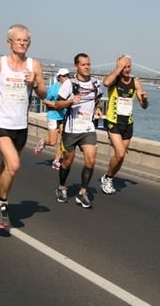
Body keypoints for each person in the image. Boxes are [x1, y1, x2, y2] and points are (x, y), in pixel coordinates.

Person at [0, 24, 46, 228]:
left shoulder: (34, 65)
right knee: (14, 165)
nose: (23, 44)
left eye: (26, 41)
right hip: (0, 123)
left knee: (6, 168)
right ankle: (3, 204)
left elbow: (43, 94)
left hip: (21, 125)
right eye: (19, 40)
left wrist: (34, 82)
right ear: (9, 42)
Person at [53, 53, 103, 208]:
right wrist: (69, 101)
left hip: (88, 128)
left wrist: (98, 108)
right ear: (76, 66)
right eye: (83, 64)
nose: (87, 67)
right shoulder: (69, 83)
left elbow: (98, 99)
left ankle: (82, 193)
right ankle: (61, 187)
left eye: (88, 64)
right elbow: (57, 104)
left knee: (91, 159)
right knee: (68, 160)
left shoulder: (96, 83)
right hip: (71, 129)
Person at [100, 55, 148, 194]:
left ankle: (108, 176)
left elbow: (144, 106)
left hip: (128, 123)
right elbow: (106, 82)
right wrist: (118, 67)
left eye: (128, 66)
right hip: (113, 121)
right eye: (124, 66)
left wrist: (144, 99)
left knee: (121, 157)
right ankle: (108, 179)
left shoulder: (136, 82)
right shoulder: (114, 80)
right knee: (120, 154)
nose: (126, 69)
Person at [34, 68, 70, 170]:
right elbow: (44, 100)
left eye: (68, 75)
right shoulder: (53, 88)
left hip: (63, 116)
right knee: (52, 142)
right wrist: (55, 105)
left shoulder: (69, 87)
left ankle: (56, 160)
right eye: (64, 76)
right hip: (53, 115)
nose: (66, 78)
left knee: (64, 139)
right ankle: (43, 142)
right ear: (59, 77)